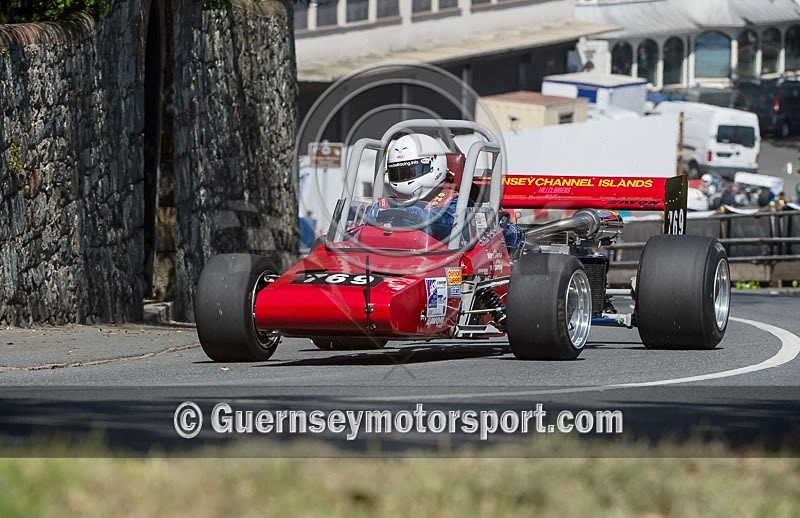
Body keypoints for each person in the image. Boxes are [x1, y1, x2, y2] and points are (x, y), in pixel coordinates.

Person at [365, 133, 526, 250]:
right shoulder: (390, 203)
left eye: (408, 172)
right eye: (397, 173)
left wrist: (403, 213)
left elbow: (445, 225)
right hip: (396, 263)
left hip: (448, 269)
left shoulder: (455, 202)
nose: (402, 179)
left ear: (433, 165)